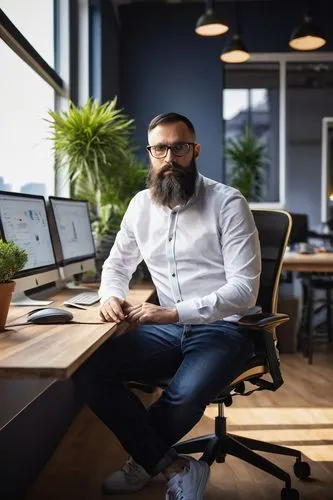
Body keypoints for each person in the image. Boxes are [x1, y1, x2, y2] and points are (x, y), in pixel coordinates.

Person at [72, 112, 261, 499]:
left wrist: (174, 312)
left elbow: (245, 291)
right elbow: (117, 264)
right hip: (170, 328)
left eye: (179, 147)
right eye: (161, 148)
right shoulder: (141, 206)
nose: (170, 157)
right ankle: (172, 465)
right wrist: (110, 294)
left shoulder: (228, 203)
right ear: (150, 153)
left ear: (195, 150)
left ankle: (143, 462)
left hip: (225, 328)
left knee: (183, 394)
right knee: (87, 368)